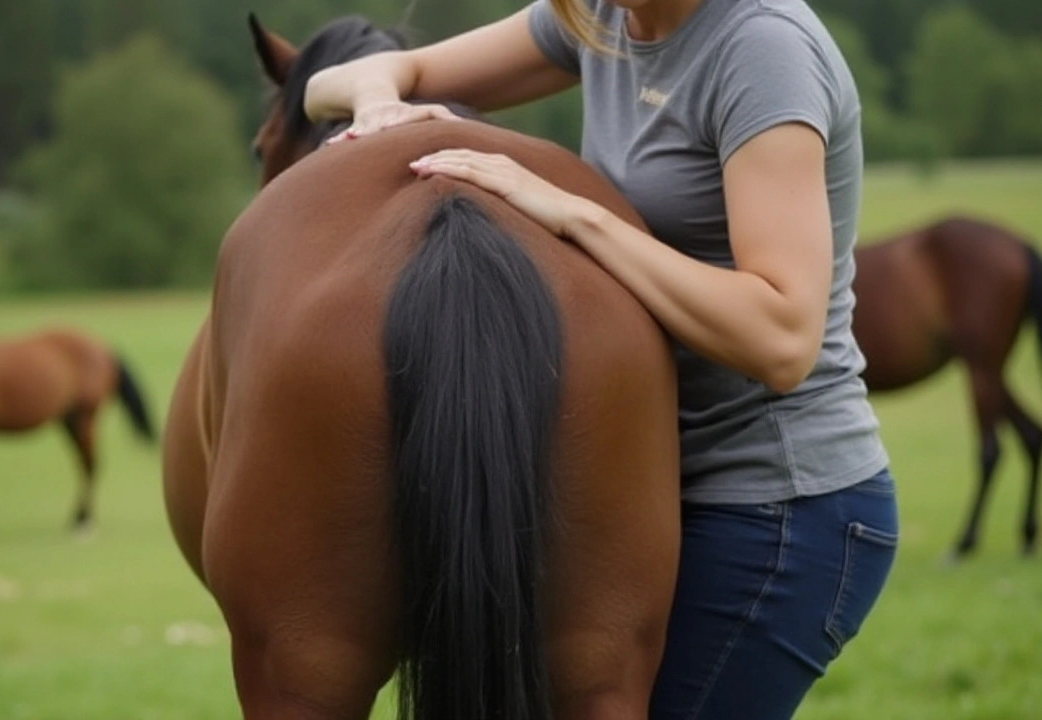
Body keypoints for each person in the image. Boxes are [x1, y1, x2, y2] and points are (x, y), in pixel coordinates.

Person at [303, 0, 898, 717]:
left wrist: (570, 211)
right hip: (654, 490)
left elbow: (782, 339)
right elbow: (330, 84)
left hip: (777, 506)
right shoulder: (598, 16)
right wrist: (380, 103)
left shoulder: (763, 49)